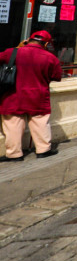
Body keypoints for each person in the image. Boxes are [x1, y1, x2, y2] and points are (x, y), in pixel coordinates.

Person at [0, 30, 62, 162]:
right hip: (38, 95)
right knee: (40, 122)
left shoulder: (12, 52)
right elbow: (56, 76)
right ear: (46, 44)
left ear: (29, 39)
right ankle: (43, 150)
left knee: (13, 124)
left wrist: (18, 47)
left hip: (13, 94)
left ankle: (14, 154)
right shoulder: (50, 57)